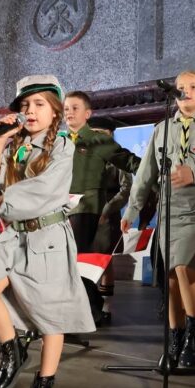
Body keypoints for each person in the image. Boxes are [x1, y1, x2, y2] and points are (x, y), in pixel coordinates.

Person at [0, 75, 95, 388]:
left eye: (38, 104)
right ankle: (13, 348)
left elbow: (46, 189)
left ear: (55, 112)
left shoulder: (62, 146)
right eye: (24, 105)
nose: (30, 111)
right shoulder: (17, 144)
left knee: (51, 315)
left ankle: (43, 387)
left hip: (46, 236)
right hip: (14, 235)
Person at [122, 71, 195, 369]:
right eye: (181, 87)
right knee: (171, 277)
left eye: (193, 87)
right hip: (170, 209)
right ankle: (175, 335)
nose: (185, 91)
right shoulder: (162, 128)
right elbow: (146, 172)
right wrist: (133, 210)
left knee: (185, 267)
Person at [63, 91, 140, 323]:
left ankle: (93, 311)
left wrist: (157, 171)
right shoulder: (60, 142)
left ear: (87, 114)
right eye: (66, 108)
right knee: (69, 263)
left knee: (85, 262)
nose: (69, 112)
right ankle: (89, 308)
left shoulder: (98, 140)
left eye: (75, 108)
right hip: (61, 211)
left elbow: (130, 163)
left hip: (88, 210)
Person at [88, 115, 134, 324]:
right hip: (84, 211)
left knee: (105, 260)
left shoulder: (118, 155)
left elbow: (126, 188)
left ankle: (105, 307)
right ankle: (89, 304)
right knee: (84, 259)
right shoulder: (82, 155)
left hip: (107, 212)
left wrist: (107, 209)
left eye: (103, 133)